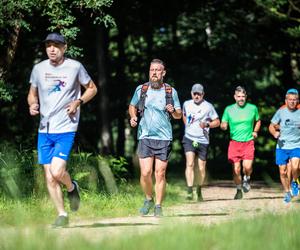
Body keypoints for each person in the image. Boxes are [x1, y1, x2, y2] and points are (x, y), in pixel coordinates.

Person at [27, 32, 97, 227]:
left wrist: (78, 101)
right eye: (48, 45)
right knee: (49, 176)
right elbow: (32, 94)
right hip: (44, 130)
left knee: (57, 172)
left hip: (66, 127)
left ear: (64, 48)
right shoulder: (38, 69)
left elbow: (92, 88)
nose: (52, 49)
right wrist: (32, 104)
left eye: (56, 45)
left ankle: (71, 186)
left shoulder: (75, 67)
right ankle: (62, 215)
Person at [128, 59, 182, 216]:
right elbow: (132, 106)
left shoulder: (170, 92)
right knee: (145, 173)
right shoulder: (142, 89)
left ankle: (158, 206)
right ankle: (148, 199)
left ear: (163, 73)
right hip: (144, 135)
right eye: (152, 70)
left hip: (164, 138)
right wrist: (132, 117)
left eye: (158, 70)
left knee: (160, 173)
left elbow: (179, 116)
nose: (154, 73)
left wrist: (173, 111)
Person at [220, 86, 261, 199]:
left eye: (243, 96)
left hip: (248, 142)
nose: (241, 98)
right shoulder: (228, 109)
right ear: (235, 97)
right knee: (236, 169)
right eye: (239, 96)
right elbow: (223, 123)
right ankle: (238, 190)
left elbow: (258, 121)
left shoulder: (252, 108)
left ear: (246, 97)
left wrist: (255, 131)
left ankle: (247, 179)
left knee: (247, 167)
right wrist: (223, 126)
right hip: (234, 143)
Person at [182, 83, 220, 201]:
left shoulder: (208, 106)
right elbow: (184, 115)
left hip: (203, 140)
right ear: (191, 93)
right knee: (189, 163)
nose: (196, 96)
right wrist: (187, 126)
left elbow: (217, 122)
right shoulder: (186, 104)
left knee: (201, 167)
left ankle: (198, 190)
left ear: (203, 94)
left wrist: (207, 124)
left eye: (199, 94)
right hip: (189, 138)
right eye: (195, 93)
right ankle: (189, 190)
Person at [269, 88, 300, 203]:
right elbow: (271, 126)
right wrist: (274, 133)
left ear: (297, 101)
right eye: (290, 100)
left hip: (297, 144)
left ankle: (295, 182)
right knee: (283, 171)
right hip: (282, 146)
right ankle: (287, 192)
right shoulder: (281, 111)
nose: (292, 102)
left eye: (295, 100)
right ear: (286, 100)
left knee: (295, 166)